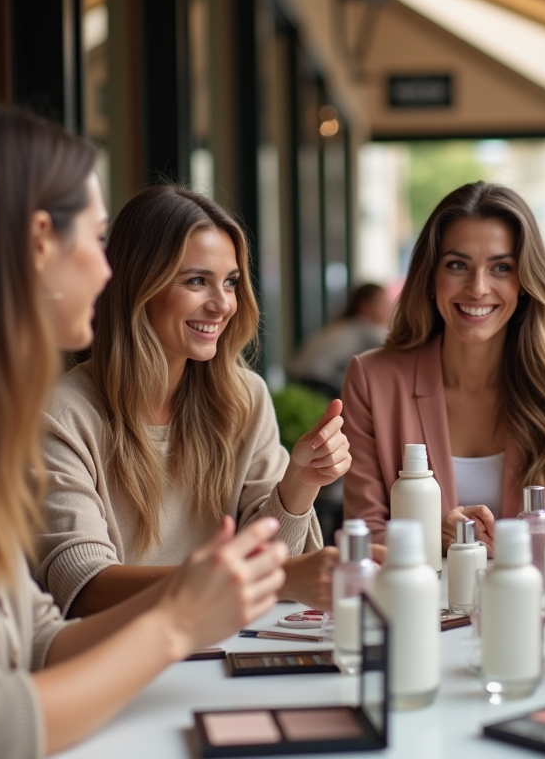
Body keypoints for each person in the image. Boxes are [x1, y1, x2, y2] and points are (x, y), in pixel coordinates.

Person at [0, 105, 288, 757]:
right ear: (39, 241)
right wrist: (174, 623)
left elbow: (40, 642)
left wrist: (193, 597)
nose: (110, 272)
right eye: (99, 239)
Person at [35, 185, 351, 616]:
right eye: (197, 281)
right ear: (139, 286)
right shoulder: (61, 415)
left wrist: (301, 481)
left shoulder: (244, 399)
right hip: (114, 663)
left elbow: (270, 555)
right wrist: (263, 578)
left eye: (231, 282)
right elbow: (84, 586)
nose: (222, 304)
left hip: (228, 650)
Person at [342, 181, 545, 553]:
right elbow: (364, 532)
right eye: (458, 265)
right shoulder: (372, 379)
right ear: (430, 276)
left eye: (501, 267)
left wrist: (484, 542)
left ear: (524, 281)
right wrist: (432, 536)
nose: (478, 288)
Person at [287, 282, 391, 399]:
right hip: (317, 380)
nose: (388, 310)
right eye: (384, 304)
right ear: (365, 306)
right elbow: (394, 345)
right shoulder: (364, 327)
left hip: (297, 376)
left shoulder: (342, 324)